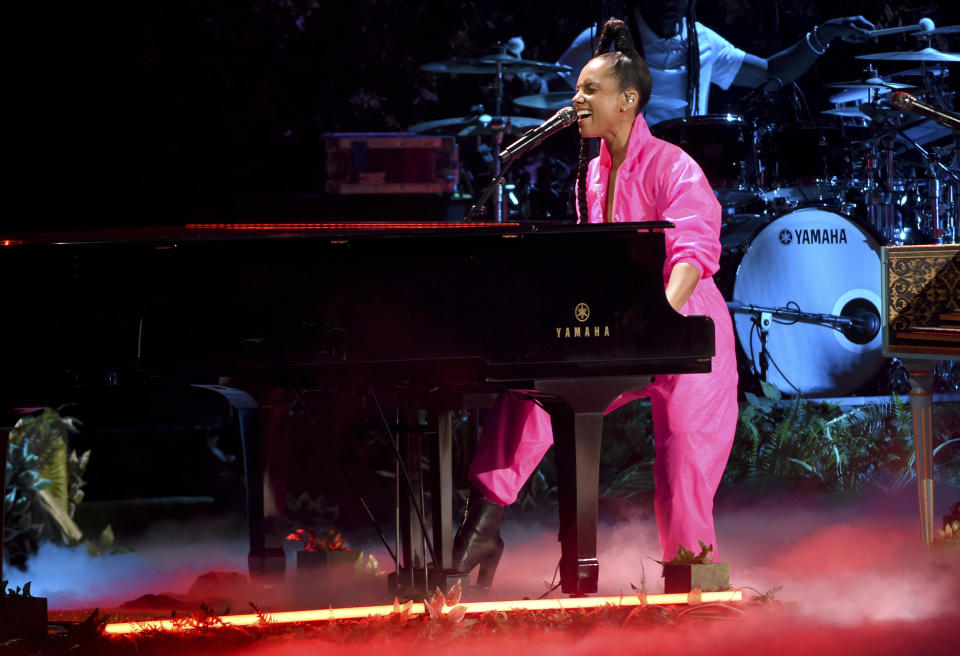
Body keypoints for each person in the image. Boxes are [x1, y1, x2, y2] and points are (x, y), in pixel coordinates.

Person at [450, 18, 738, 590]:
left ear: (628, 101)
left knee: (683, 460)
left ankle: (691, 589)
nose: (575, 100)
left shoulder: (674, 166)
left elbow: (694, 251)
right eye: (576, 89)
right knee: (534, 392)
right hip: (621, 324)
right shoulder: (592, 174)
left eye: (589, 90)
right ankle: (483, 521)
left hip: (687, 327)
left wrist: (653, 321)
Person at [557, 1, 874, 126]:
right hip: (621, 179)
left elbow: (770, 73)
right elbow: (546, 90)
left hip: (684, 176)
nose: (668, 2)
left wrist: (825, 34)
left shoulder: (702, 41)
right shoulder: (601, 41)